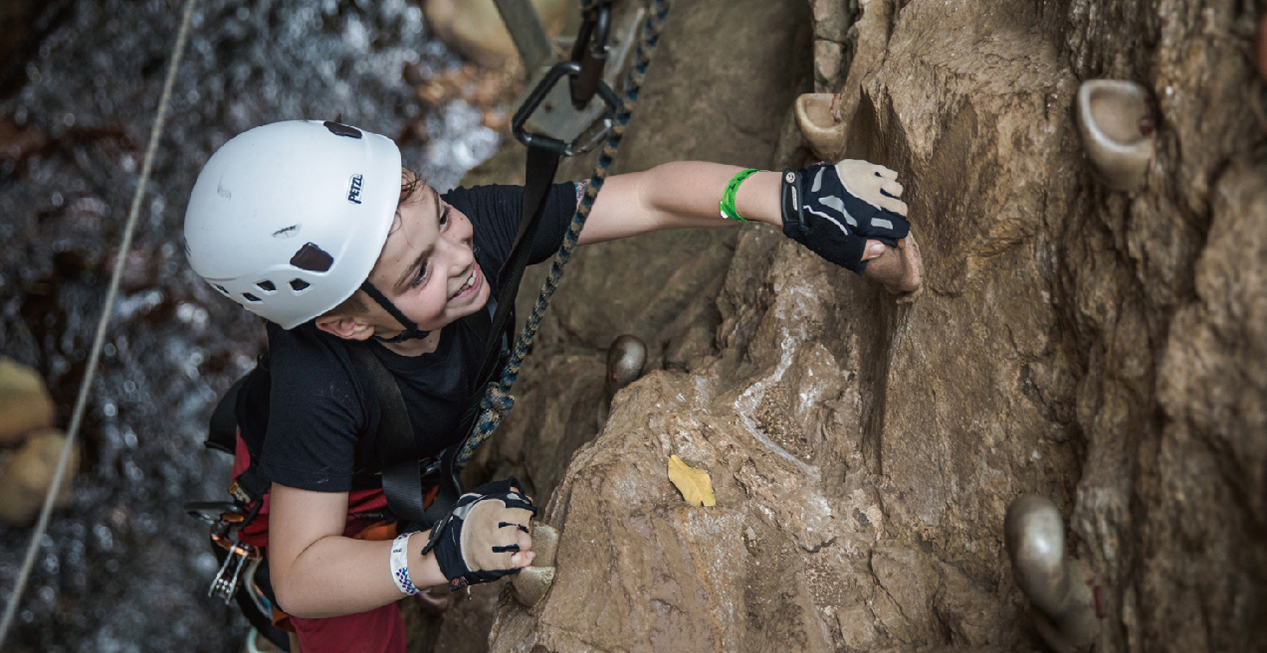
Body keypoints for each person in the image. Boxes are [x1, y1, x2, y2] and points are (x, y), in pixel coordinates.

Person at [182, 119, 920, 653]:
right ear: (346, 325)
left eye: (440, 214)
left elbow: (653, 196)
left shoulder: (477, 230)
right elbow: (304, 572)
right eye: (420, 272)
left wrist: (786, 196)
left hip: (399, 449)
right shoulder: (318, 390)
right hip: (320, 495)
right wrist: (432, 556)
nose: (460, 253)